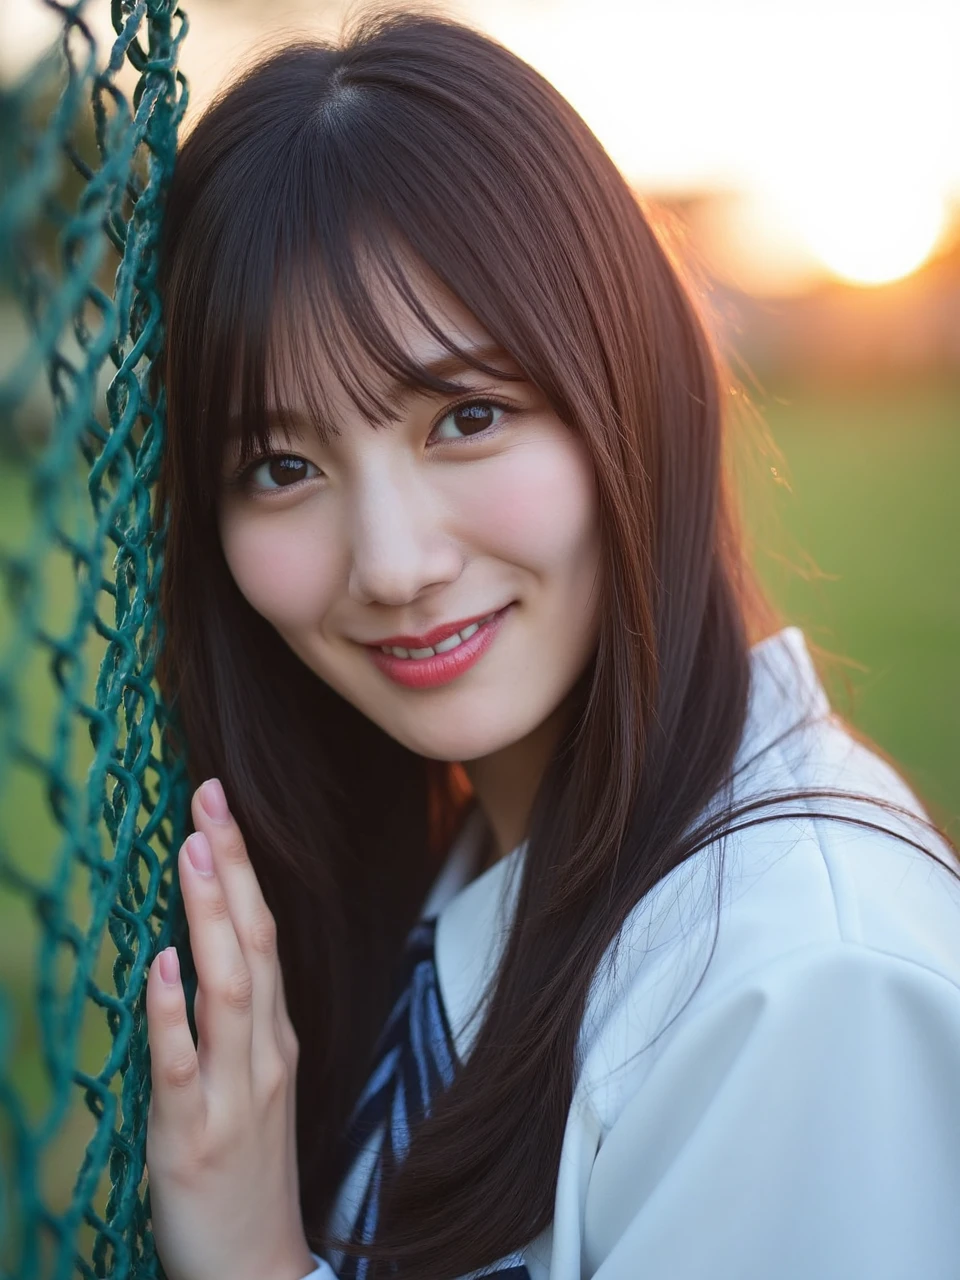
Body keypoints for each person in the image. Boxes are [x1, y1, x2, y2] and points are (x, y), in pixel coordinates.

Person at [143, 10, 960, 1280]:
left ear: (627, 389)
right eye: (283, 464)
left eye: (466, 415)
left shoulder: (802, 991)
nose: (395, 563)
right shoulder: (478, 855)